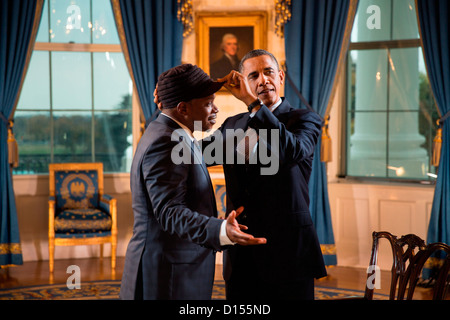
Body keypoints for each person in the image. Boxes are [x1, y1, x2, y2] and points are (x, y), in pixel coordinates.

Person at [119, 64, 266, 300]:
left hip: (172, 268)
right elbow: (169, 212)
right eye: (208, 103)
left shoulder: (170, 132)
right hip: (169, 276)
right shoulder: (167, 142)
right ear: (183, 108)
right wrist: (220, 230)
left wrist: (251, 101)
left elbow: (244, 146)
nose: (216, 109)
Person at [206, 49, 327, 300]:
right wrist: (173, 109)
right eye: (253, 76)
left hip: (289, 253)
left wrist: (254, 105)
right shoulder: (233, 125)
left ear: (280, 77)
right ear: (245, 83)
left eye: (268, 72)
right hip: (241, 254)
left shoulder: (305, 119)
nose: (263, 80)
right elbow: (198, 155)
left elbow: (291, 151)